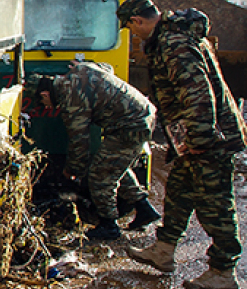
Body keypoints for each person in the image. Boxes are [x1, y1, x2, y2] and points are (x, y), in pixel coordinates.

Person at [118, 0, 247, 289]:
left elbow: (198, 95)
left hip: (209, 139)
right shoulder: (169, 38)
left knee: (215, 202)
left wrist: (200, 140)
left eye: (131, 28)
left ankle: (223, 271)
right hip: (192, 138)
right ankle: (164, 250)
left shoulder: (173, 46)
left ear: (138, 21)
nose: (133, 35)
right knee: (178, 191)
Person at [25, 62, 161, 241]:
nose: (47, 106)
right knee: (114, 165)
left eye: (42, 102)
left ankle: (109, 224)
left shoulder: (70, 99)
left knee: (100, 175)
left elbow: (79, 142)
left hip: (130, 126)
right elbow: (107, 67)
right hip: (141, 114)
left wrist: (72, 170)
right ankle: (144, 209)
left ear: (45, 93)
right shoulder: (80, 70)